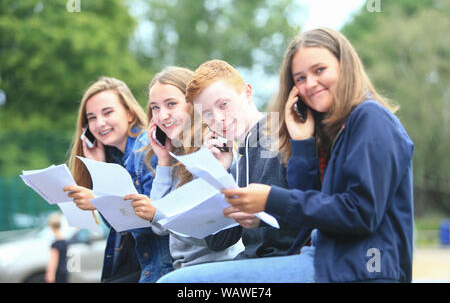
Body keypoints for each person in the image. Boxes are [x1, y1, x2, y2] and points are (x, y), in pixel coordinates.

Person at [157, 28, 414, 283]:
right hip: (324, 258)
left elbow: (359, 214)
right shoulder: (324, 131)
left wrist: (269, 200)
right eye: (300, 78)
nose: (310, 84)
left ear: (345, 66)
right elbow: (310, 201)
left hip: (357, 267)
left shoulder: (370, 118)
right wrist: (301, 144)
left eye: (320, 70)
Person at [179, 59, 318, 261]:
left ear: (247, 92)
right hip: (252, 260)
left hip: (283, 260)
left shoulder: (278, 137)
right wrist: (218, 171)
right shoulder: (240, 158)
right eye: (207, 114)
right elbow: (218, 241)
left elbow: (299, 215)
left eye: (223, 105)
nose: (218, 119)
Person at [124, 66, 243, 270]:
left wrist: (157, 213)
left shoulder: (214, 149)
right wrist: (162, 160)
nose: (162, 116)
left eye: (171, 104)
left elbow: (209, 232)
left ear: (194, 105)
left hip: (218, 266)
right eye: (155, 107)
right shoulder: (176, 157)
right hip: (186, 267)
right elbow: (159, 227)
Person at [64, 76, 172, 282]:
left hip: (160, 264)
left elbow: (153, 222)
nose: (99, 123)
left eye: (107, 112)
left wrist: (98, 199)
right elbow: (119, 225)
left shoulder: (146, 149)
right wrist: (100, 168)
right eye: (92, 118)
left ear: (130, 114)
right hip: (137, 263)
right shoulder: (114, 157)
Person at [46, 213, 68, 283]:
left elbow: (53, 261)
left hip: (57, 272)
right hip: (64, 270)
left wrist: (50, 274)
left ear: (51, 226)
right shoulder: (64, 241)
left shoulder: (55, 244)